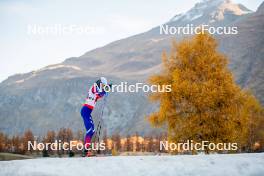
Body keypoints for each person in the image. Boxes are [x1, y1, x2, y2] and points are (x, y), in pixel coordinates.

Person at [81, 77, 108, 157]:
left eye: (104, 85)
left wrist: (106, 90)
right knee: (90, 130)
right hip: (85, 111)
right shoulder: (94, 87)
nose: (103, 86)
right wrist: (105, 90)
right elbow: (99, 93)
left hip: (88, 112)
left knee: (92, 131)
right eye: (103, 85)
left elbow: (100, 96)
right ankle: (85, 152)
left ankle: (87, 151)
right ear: (100, 83)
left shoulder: (97, 89)